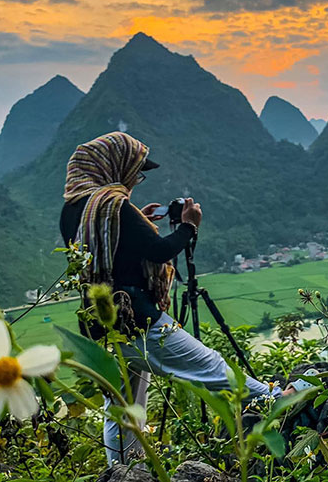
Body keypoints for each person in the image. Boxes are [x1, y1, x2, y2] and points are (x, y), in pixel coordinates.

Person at [59, 132, 294, 465]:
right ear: (114, 165)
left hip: (99, 323)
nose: (134, 180)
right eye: (134, 172)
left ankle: (123, 471)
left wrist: (135, 218)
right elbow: (158, 251)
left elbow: (112, 250)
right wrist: (188, 227)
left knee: (122, 407)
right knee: (208, 365)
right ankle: (274, 399)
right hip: (135, 317)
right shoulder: (113, 206)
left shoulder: (76, 209)